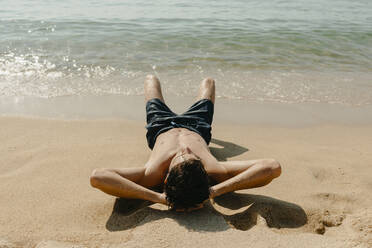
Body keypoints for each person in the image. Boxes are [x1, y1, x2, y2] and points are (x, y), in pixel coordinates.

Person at [90, 75, 281, 211]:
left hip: (161, 125)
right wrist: (214, 191)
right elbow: (272, 167)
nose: (186, 148)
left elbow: (98, 177)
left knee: (151, 79)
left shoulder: (152, 173)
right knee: (208, 81)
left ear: (166, 179)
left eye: (181, 156)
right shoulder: (214, 169)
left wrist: (157, 198)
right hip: (196, 126)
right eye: (192, 156)